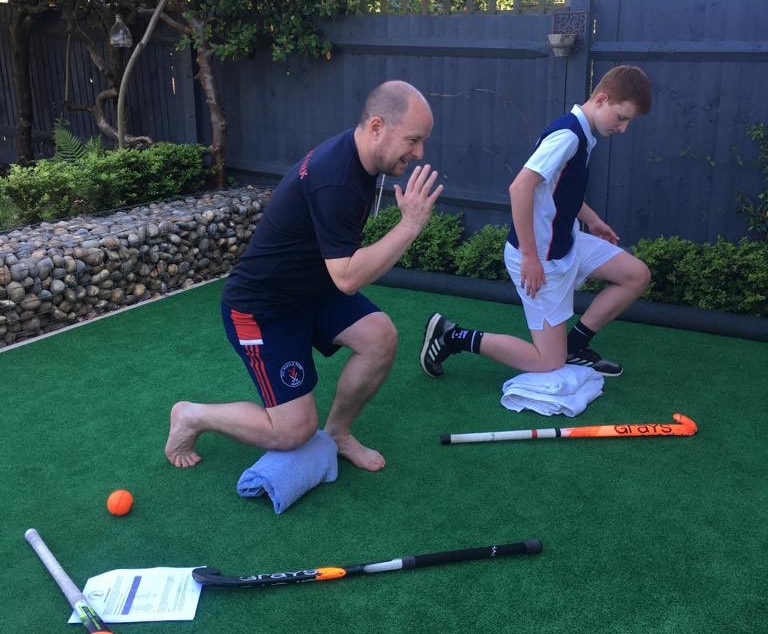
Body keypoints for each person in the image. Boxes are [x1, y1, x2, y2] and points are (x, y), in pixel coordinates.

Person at [165, 80, 442, 472]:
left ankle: (339, 433)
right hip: (261, 308)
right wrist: (409, 226)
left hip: (312, 289)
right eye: (413, 140)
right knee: (293, 431)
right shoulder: (336, 178)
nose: (419, 153)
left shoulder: (359, 158)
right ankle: (193, 415)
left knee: (379, 337)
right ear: (377, 127)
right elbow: (347, 277)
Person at [420, 65, 652, 381]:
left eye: (628, 122)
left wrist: (593, 220)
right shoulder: (568, 135)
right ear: (601, 99)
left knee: (636, 275)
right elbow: (520, 188)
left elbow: (556, 189)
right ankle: (452, 336)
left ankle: (575, 345)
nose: (623, 128)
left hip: (566, 241)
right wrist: (529, 256)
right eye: (622, 117)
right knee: (548, 363)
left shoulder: (582, 133)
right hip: (539, 256)